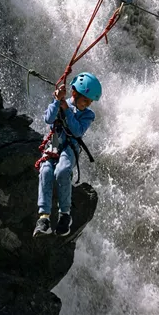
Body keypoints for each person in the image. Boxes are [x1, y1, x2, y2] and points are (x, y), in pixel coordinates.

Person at [33, 72, 102, 237]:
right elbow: (48, 119)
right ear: (74, 93)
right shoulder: (60, 101)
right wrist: (57, 101)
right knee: (46, 172)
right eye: (85, 100)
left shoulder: (88, 115)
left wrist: (67, 110)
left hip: (69, 148)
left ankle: (65, 215)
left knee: (62, 171)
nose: (88, 104)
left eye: (90, 101)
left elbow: (77, 131)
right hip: (53, 144)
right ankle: (44, 218)